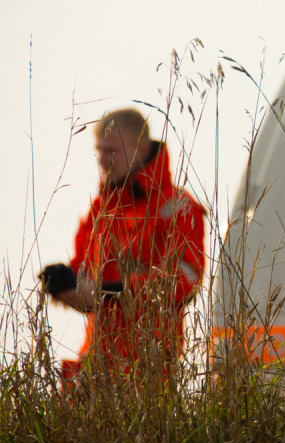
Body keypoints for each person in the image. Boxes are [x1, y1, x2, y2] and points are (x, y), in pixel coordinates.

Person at [38, 108, 205, 383]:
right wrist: (64, 281)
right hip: (94, 366)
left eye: (112, 150)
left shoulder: (177, 206)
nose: (102, 160)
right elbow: (87, 273)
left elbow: (187, 279)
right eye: (99, 150)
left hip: (148, 374)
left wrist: (111, 293)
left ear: (141, 148)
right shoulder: (101, 208)